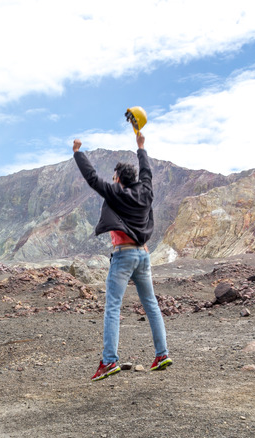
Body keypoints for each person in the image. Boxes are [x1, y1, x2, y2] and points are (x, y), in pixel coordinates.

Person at [72, 108, 171, 382]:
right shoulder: (146, 191)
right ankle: (162, 354)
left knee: (113, 306)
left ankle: (109, 361)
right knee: (151, 304)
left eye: (114, 176)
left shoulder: (116, 193)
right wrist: (141, 147)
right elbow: (147, 171)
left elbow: (92, 179)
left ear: (117, 178)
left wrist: (79, 153)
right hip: (143, 256)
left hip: (124, 256)